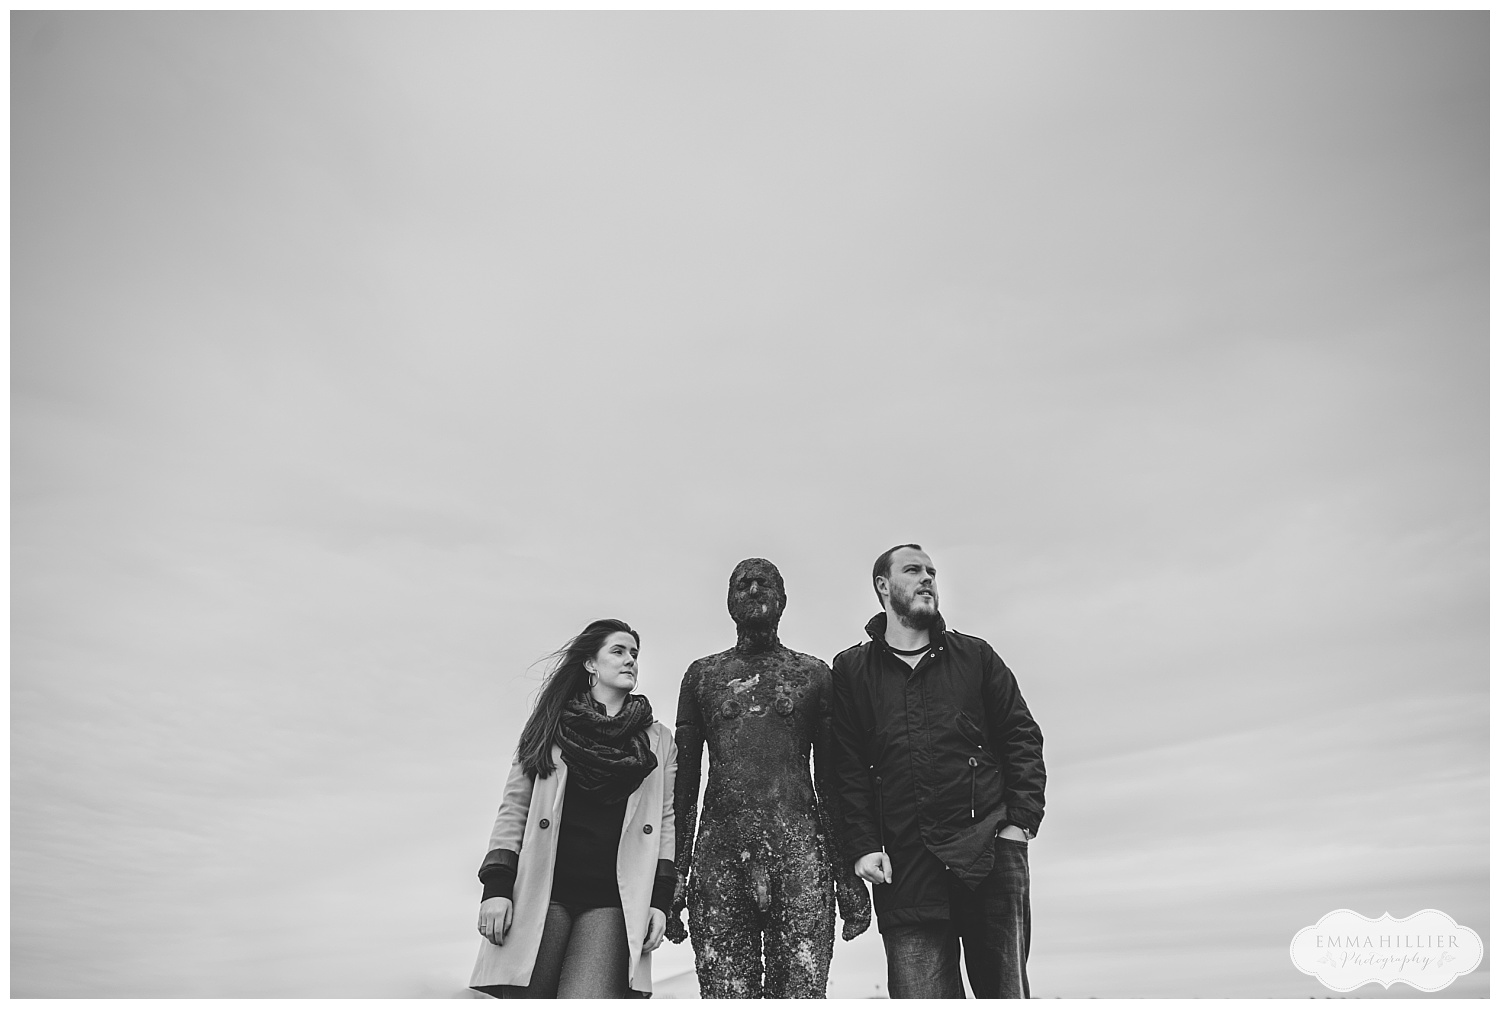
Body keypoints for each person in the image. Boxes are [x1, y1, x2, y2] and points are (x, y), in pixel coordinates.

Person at [830, 544, 1046, 998]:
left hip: (989, 854)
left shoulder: (976, 656)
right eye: (913, 570)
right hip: (907, 868)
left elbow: (1021, 736)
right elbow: (846, 766)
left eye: (931, 571)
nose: (927, 578)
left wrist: (1020, 824)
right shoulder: (852, 670)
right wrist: (863, 846)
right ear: (883, 586)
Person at [667, 558, 870, 997]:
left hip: (799, 853)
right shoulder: (703, 676)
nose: (754, 590)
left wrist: (846, 875)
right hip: (720, 855)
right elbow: (684, 789)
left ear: (783, 600)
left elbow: (831, 783)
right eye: (743, 584)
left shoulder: (812, 675)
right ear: (729, 601)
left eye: (764, 583)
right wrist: (675, 877)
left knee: (801, 994)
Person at [469, 618, 678, 998]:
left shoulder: (659, 740)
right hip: (541, 893)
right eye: (618, 651)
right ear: (590, 664)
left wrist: (660, 902)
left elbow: (665, 821)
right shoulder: (550, 725)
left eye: (634, 653)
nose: (630, 660)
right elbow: (514, 809)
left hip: (612, 902)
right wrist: (496, 888)